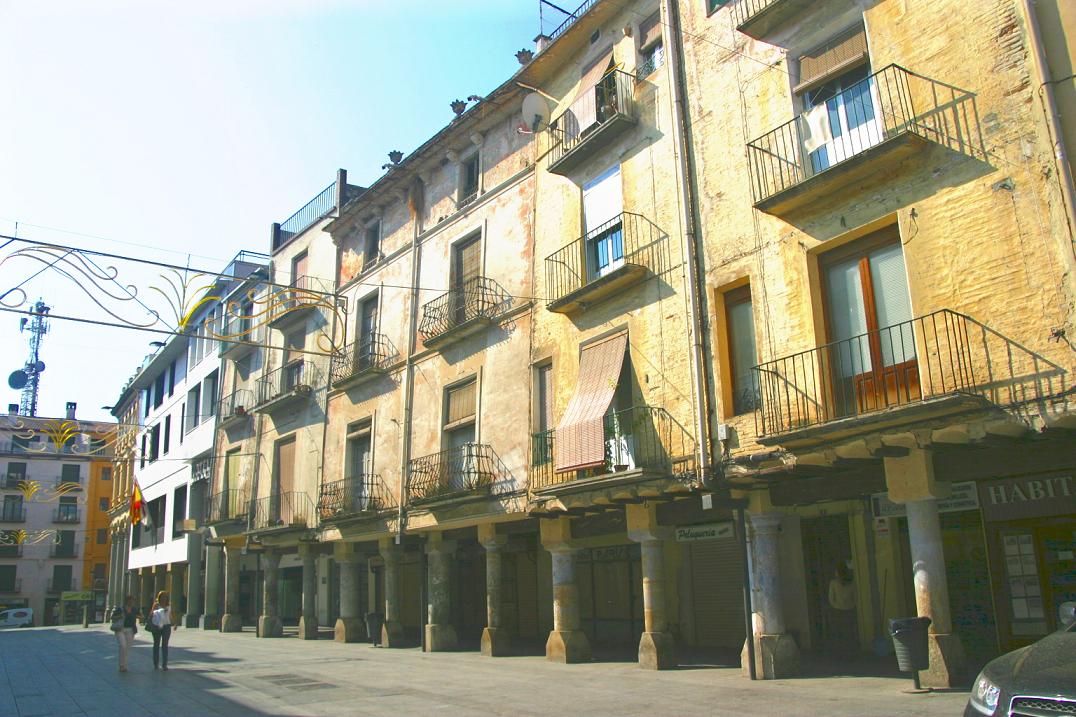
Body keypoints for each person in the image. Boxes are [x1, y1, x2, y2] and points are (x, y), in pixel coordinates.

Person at [827, 561, 858, 658]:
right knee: (848, 633)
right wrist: (851, 605)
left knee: (838, 633)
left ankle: (840, 654)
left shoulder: (833, 583)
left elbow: (831, 598)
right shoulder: (852, 583)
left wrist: (835, 605)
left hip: (837, 610)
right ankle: (850, 653)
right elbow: (855, 598)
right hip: (849, 610)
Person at [149, 591, 175, 670]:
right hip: (157, 626)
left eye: (165, 596)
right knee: (156, 645)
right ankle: (156, 664)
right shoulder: (156, 605)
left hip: (166, 626)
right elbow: (151, 614)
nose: (164, 598)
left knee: (165, 645)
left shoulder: (168, 605)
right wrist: (157, 612)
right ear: (159, 597)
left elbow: (170, 616)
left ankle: (164, 664)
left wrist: (174, 623)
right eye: (162, 596)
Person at [113, 595, 140, 673]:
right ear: (126, 601)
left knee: (127, 648)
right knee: (123, 645)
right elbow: (113, 617)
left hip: (130, 629)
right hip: (120, 629)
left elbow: (141, 616)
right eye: (130, 600)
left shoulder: (134, 609)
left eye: (132, 601)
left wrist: (135, 615)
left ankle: (124, 665)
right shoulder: (120, 609)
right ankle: (121, 665)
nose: (131, 602)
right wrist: (120, 616)